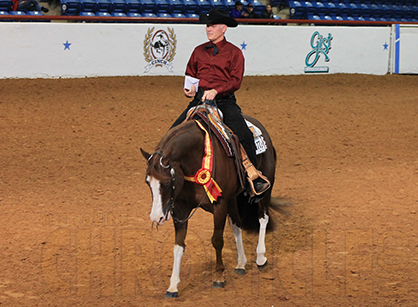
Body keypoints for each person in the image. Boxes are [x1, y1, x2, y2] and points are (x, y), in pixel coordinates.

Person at [170, 9, 270, 197]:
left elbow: (235, 81)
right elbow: (191, 73)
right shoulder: (198, 51)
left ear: (223, 28)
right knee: (172, 133)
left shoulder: (234, 53)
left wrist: (216, 91)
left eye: (213, 26)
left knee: (244, 136)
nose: (209, 29)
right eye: (208, 26)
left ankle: (253, 178)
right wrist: (189, 88)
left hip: (224, 102)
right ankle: (169, 178)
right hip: (199, 100)